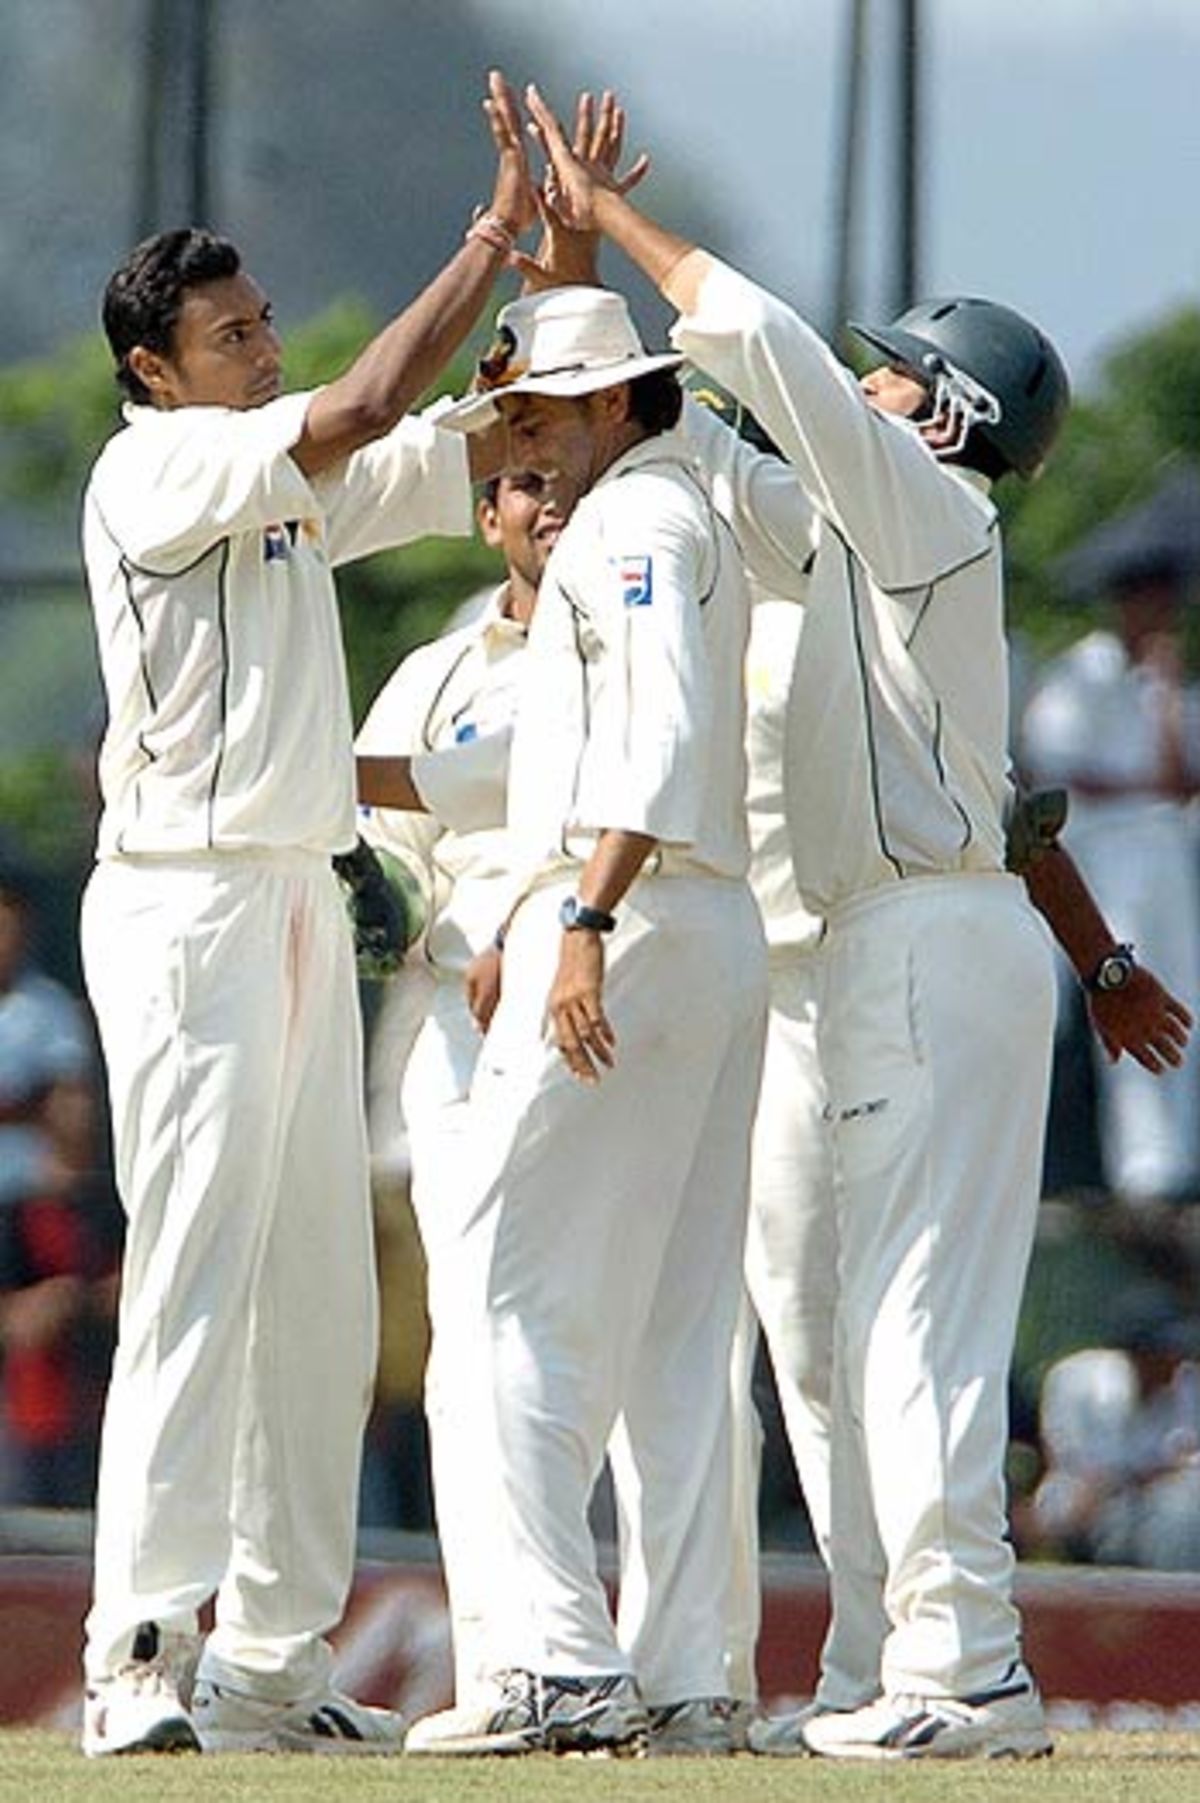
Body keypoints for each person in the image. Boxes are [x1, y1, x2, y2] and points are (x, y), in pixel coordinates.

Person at [523, 86, 1090, 1759]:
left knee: (917, 1316)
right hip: (870, 952)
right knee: (838, 1334)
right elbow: (684, 433)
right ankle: (880, 1663)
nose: (860, 388)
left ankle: (967, 1670)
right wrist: (562, 248)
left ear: (945, 417)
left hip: (930, 936)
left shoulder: (932, 516)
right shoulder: (848, 535)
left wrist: (618, 214)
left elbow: (754, 346)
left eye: (890, 377)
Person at [75, 71, 539, 1758]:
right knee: (196, 1271)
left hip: (292, 897)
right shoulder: (160, 476)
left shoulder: (269, 483)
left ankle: (272, 1660)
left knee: (324, 1296)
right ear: (156, 370)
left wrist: (558, 314)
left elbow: (435, 451)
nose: (261, 348)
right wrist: (483, 240)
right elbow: (356, 411)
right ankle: (140, 1648)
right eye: (229, 333)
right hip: (184, 907)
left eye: (266, 323)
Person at [391, 276, 767, 1758]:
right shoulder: (671, 509)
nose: (522, 446)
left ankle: (554, 1660)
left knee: (497, 1289)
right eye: (512, 420)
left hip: (634, 910)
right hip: (696, 920)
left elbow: (662, 732)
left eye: (545, 413)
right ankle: (685, 1671)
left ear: (622, 401)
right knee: (674, 1322)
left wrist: (585, 921)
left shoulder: (637, 523)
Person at [355, 467, 572, 1702]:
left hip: (615, 1004)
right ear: (485, 516)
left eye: (563, 484)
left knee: (616, 1344)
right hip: (449, 1042)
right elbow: (383, 869)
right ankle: (508, 1650)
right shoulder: (439, 668)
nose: (547, 509)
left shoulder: (651, 629)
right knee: (460, 1358)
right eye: (519, 488)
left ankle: (637, 1649)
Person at [1021, 563, 1200, 1208]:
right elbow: (1056, 775)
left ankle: (1160, 1165)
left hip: (1160, 849)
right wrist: (1146, 789)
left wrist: (1169, 692)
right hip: (1091, 855)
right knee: (1096, 993)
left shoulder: (1164, 685)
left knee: (1176, 998)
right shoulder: (1081, 674)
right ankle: (1076, 1164)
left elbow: (1181, 780)